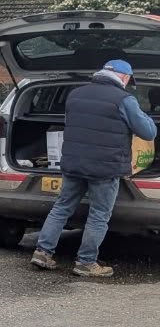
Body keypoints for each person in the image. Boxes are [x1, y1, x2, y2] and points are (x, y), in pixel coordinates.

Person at [31, 59, 157, 277]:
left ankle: (42, 252)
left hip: (73, 163)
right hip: (105, 168)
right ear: (124, 77)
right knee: (99, 214)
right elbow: (148, 132)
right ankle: (86, 262)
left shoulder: (76, 94)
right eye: (128, 80)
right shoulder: (125, 99)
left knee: (61, 207)